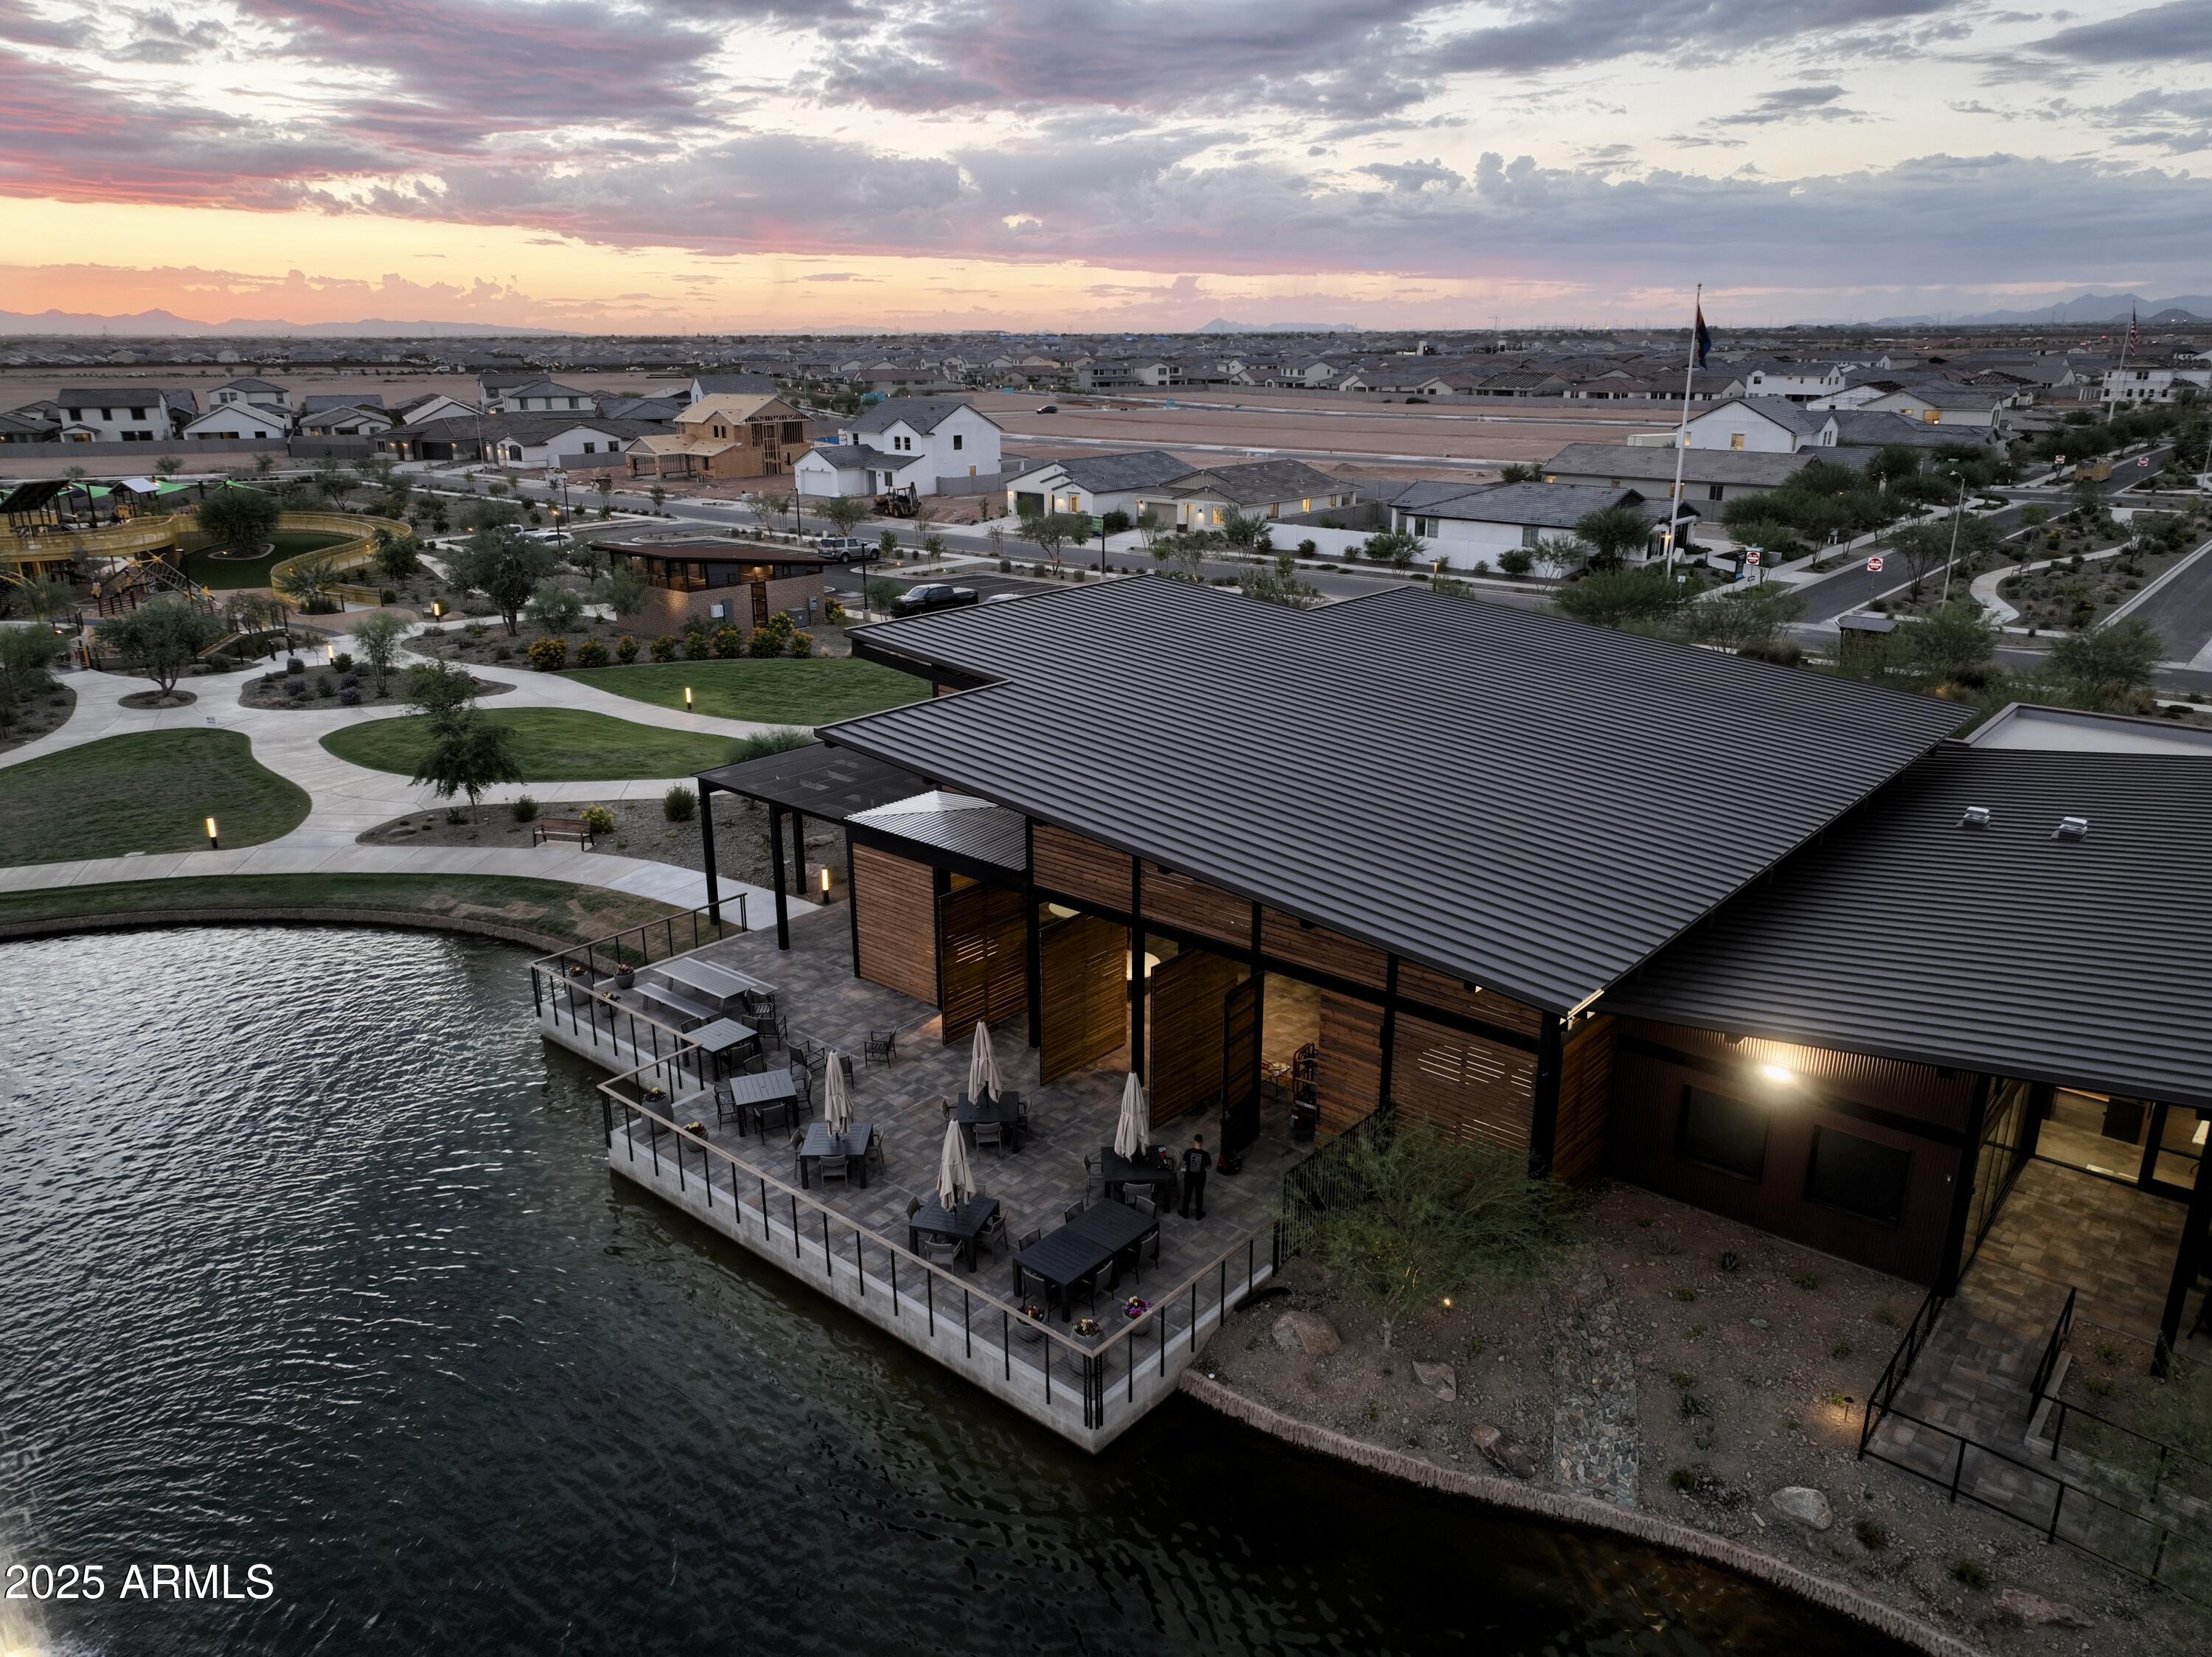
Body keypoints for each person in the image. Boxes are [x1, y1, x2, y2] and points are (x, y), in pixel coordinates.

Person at [1178, 1133, 1214, 1221]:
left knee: (1187, 1195)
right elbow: (1209, 1167)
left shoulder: (1188, 1152)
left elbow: (1184, 1163)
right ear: (1202, 1142)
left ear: (1194, 1141)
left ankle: (1185, 1213)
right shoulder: (1206, 1154)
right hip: (1200, 1178)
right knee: (1199, 1195)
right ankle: (1199, 1214)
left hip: (1189, 1176)